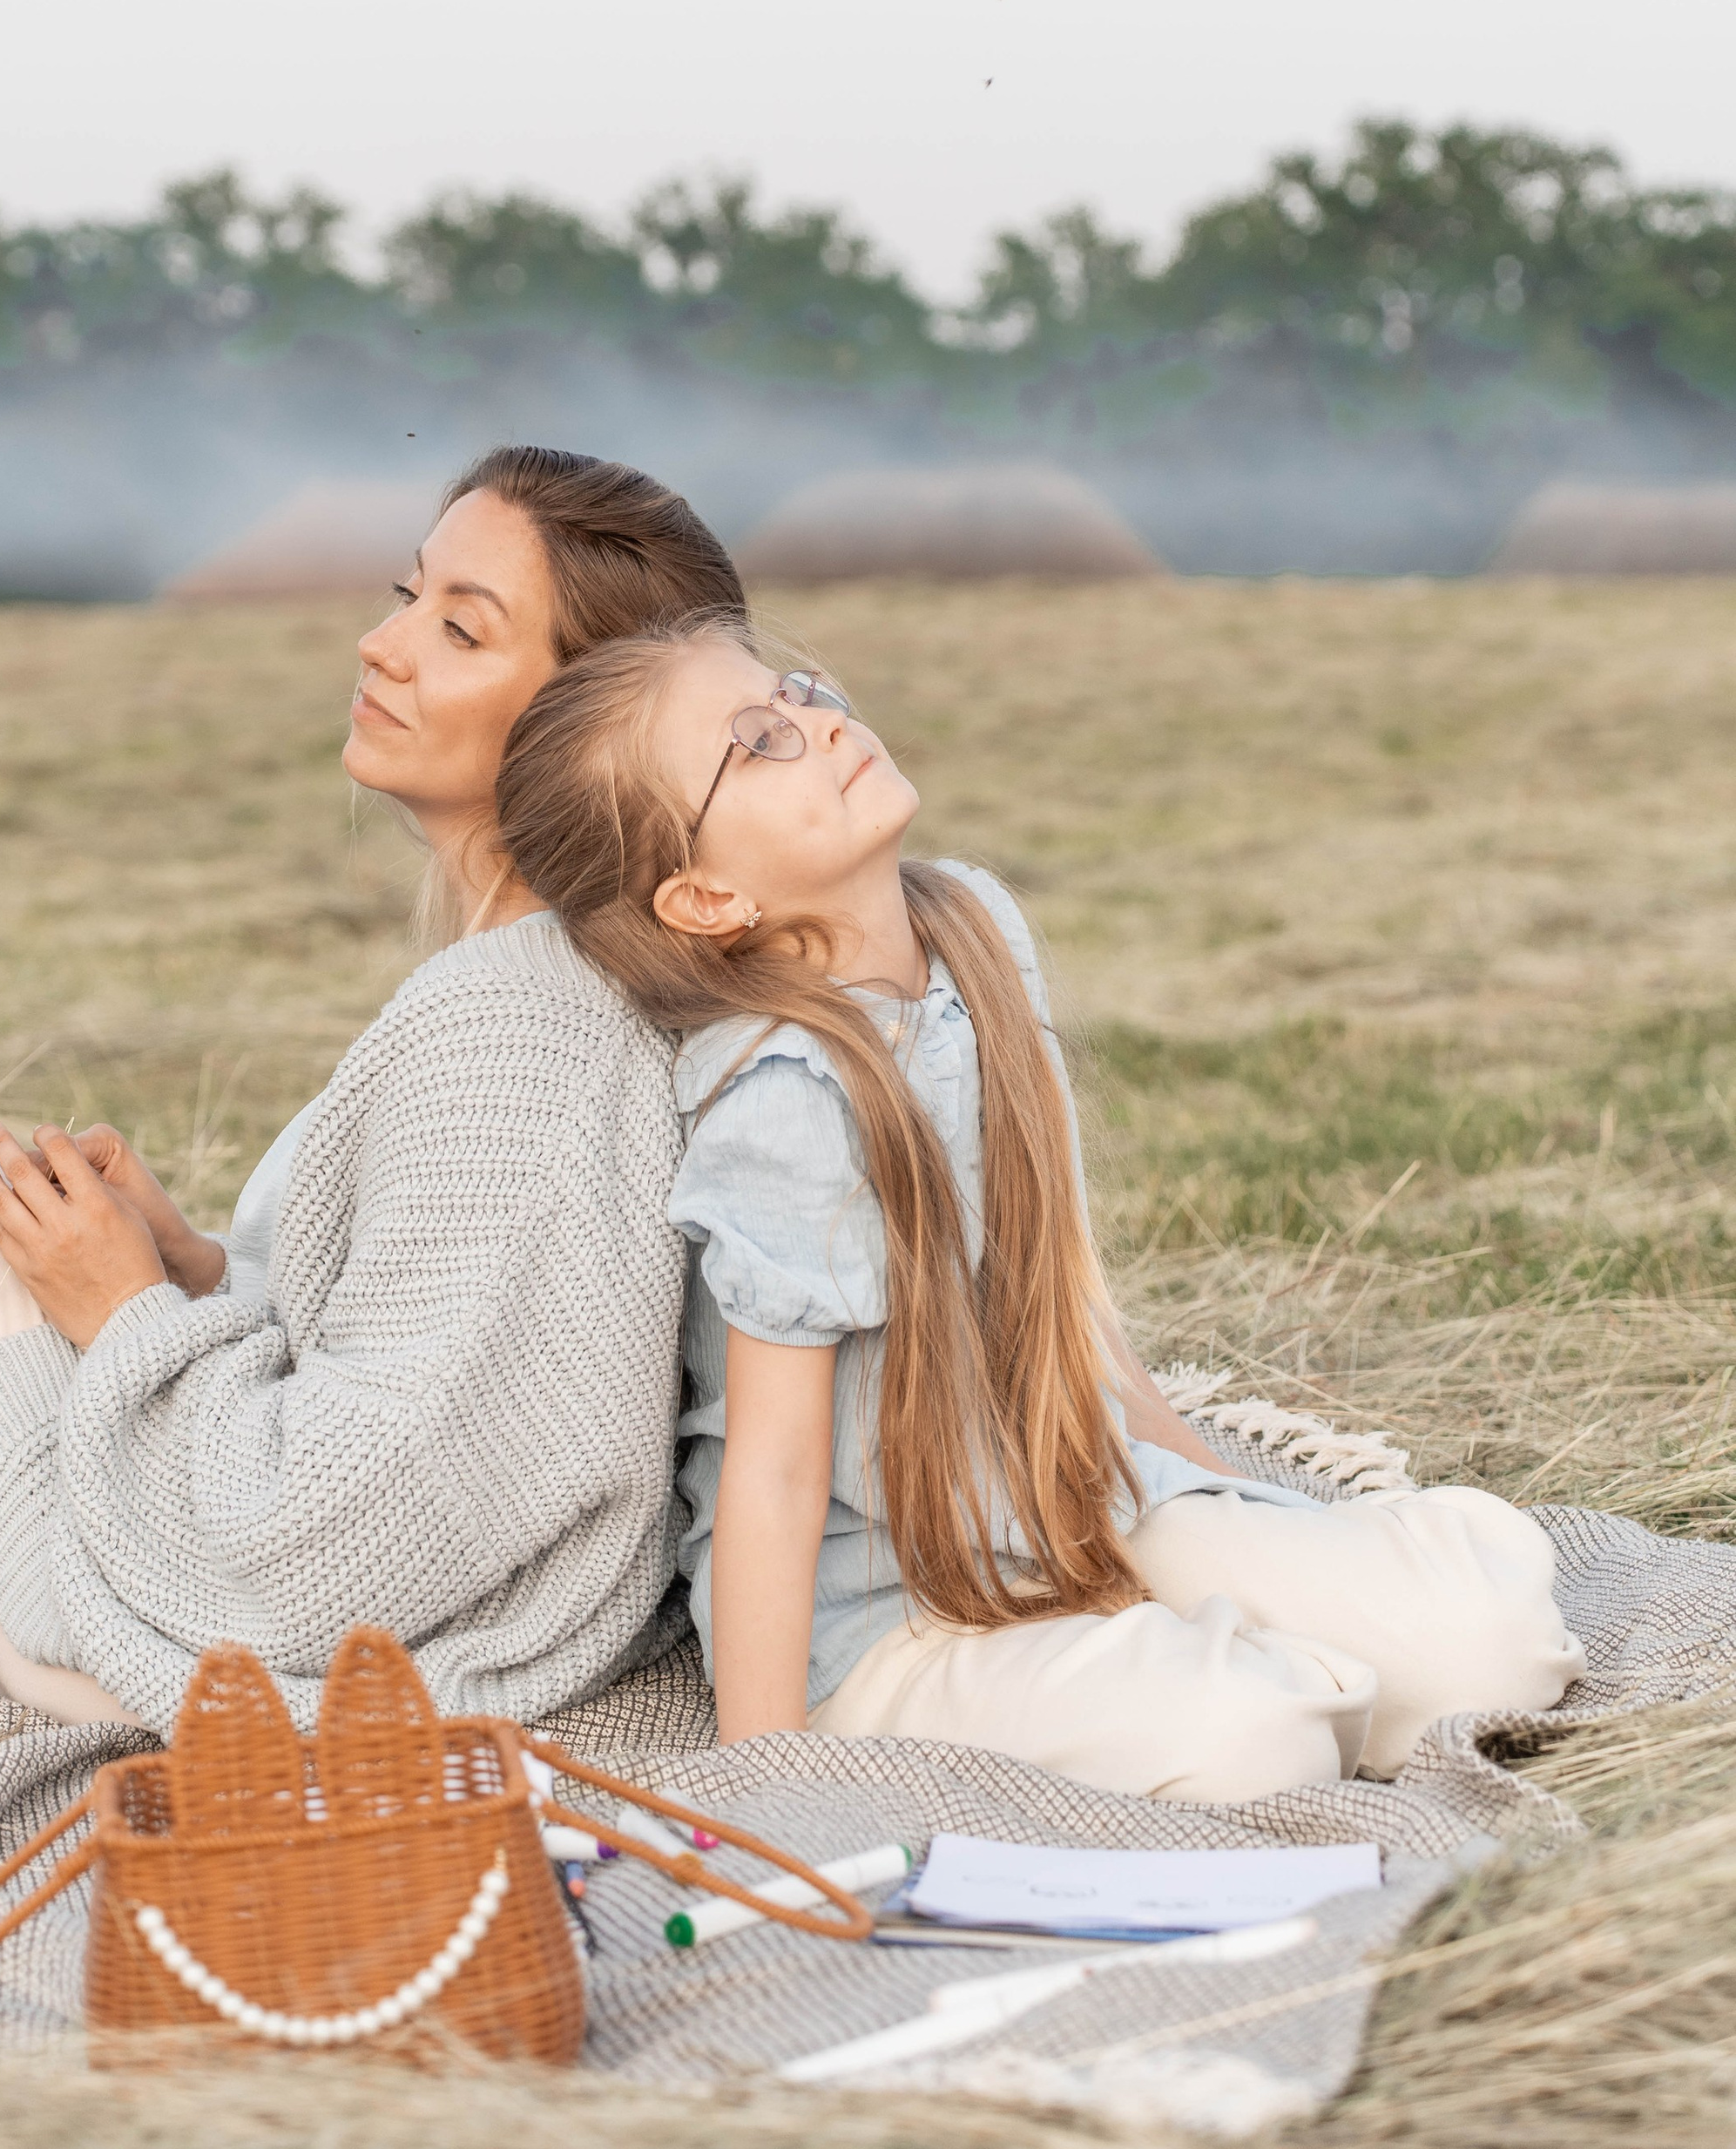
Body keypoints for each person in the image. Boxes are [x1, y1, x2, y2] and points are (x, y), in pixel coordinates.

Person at [0, 448, 746, 1733]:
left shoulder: (522, 1034)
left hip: (230, 1661)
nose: (382, 645)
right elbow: (435, 1387)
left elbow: (350, 1538)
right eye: (406, 593)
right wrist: (203, 1272)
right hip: (242, 1604)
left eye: (459, 629)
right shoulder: (530, 991)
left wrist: (125, 1310)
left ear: (588, 728)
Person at [494, 619, 1584, 1802]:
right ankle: (1233, 1679)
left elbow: (1058, 1288)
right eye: (757, 744)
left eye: (798, 694)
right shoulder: (785, 1101)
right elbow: (776, 1467)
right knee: (1256, 1745)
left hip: (1077, 1502)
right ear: (705, 896)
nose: (814, 723)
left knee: (1495, 1652)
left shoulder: (974, 928)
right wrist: (772, 1775)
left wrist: (1207, 1504)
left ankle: (1242, 1646)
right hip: (906, 1612)